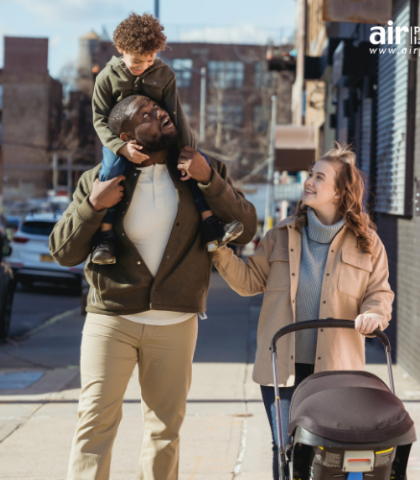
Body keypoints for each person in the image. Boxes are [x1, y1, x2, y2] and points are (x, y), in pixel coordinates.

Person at [49, 94, 257, 480]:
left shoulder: (203, 169)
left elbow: (247, 225)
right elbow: (63, 251)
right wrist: (92, 205)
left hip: (176, 324)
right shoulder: (99, 179)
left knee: (165, 432)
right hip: (111, 320)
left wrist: (209, 179)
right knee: (94, 424)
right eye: (147, 114)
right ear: (126, 135)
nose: (160, 113)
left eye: (160, 109)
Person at [212, 143, 394, 479]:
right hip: (282, 369)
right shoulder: (281, 235)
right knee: (285, 448)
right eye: (310, 174)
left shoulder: (368, 243)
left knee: (329, 452)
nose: (308, 181)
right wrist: (220, 252)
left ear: (339, 192)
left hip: (337, 371)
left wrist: (374, 315)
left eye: (319, 177)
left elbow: (379, 293)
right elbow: (249, 281)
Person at [92, 12, 243, 264]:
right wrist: (121, 147)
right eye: (137, 61)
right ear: (120, 49)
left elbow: (177, 114)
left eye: (150, 59)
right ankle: (105, 239)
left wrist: (188, 150)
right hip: (122, 142)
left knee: (194, 166)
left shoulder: (164, 74)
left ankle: (210, 225)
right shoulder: (106, 78)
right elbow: (99, 119)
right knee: (110, 172)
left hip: (160, 138)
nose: (144, 66)